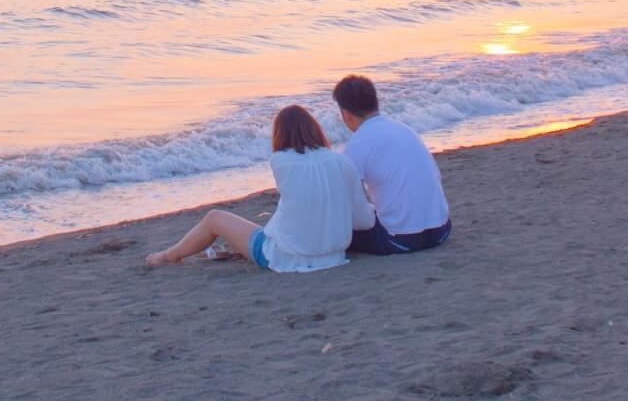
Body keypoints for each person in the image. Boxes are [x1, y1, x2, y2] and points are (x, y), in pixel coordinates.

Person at [146, 104, 372, 272]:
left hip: (285, 257)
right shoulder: (343, 162)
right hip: (334, 256)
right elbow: (364, 221)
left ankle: (168, 256)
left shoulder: (281, 161)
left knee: (214, 218)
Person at [333, 74, 452, 255]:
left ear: (345, 114)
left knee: (339, 230)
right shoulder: (405, 130)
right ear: (376, 102)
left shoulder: (358, 143)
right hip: (441, 229)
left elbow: (341, 197)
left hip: (402, 239)